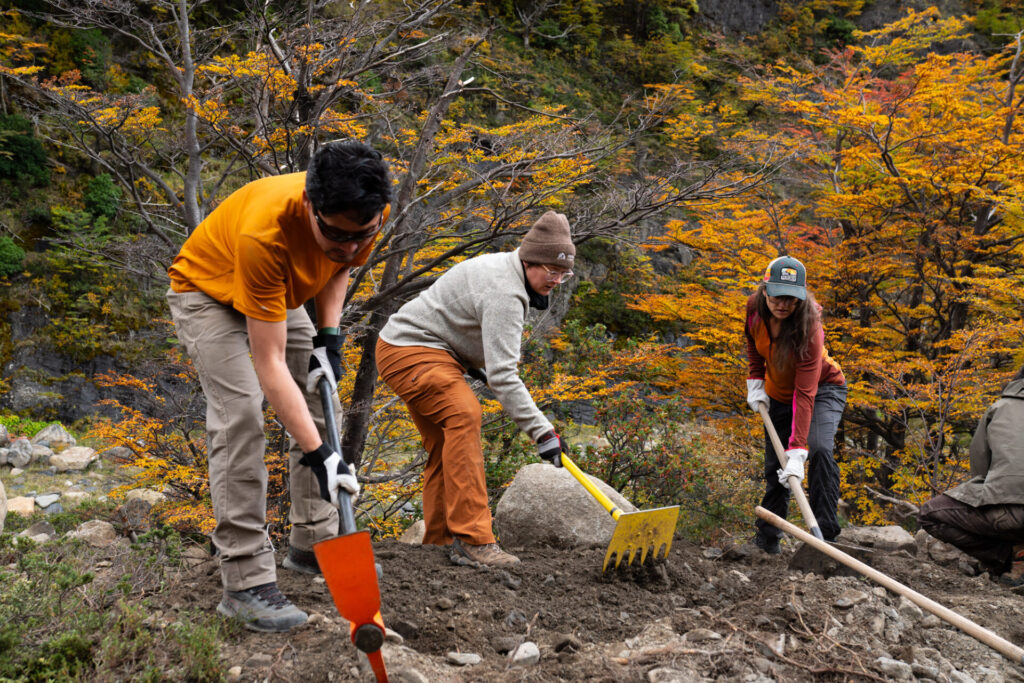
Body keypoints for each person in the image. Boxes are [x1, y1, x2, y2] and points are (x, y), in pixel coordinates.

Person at [166, 141, 392, 631]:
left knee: (316, 391)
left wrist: (328, 338)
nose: (349, 245)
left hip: (277, 290)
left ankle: (314, 544)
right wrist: (322, 457)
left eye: (362, 236)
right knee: (241, 415)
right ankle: (245, 582)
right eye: (334, 233)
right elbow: (268, 364)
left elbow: (341, 265)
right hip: (208, 289)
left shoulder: (366, 212)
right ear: (310, 207)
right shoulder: (265, 233)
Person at [375, 211, 575, 568]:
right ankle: (473, 539)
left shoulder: (506, 268)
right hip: (412, 350)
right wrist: (542, 432)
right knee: (464, 413)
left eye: (564, 274)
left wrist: (475, 366)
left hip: (414, 349)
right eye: (551, 271)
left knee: (443, 445)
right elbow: (503, 376)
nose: (557, 280)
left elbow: (465, 328)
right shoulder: (506, 292)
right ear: (529, 260)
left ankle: (438, 540)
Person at [744, 255, 847, 553]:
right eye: (777, 295)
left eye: (791, 298)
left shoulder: (809, 329)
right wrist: (756, 379)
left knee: (819, 449)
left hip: (823, 389)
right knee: (776, 466)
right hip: (776, 393)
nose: (783, 304)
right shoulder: (754, 308)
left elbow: (805, 393)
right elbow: (752, 342)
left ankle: (825, 537)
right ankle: (767, 541)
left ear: (800, 297)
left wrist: (798, 452)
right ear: (765, 290)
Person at [918, 366, 1024, 579]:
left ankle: (1004, 557)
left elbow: (979, 468)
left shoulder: (1000, 407)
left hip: (1006, 511)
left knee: (929, 514)